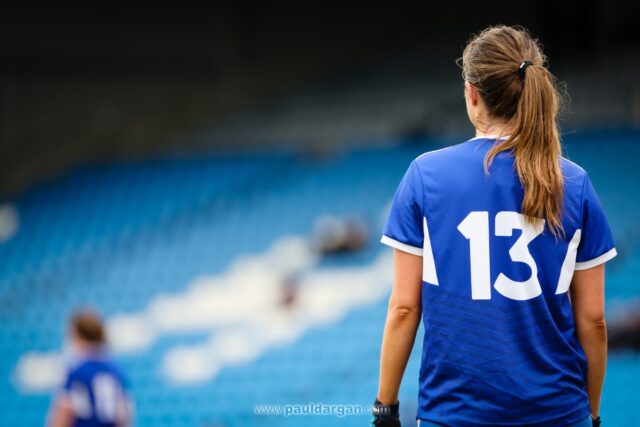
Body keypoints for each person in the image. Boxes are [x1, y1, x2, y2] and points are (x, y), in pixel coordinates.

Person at [372, 26, 615, 427]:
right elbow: (593, 321)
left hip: (454, 415)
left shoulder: (425, 175)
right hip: (557, 414)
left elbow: (403, 308)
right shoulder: (575, 182)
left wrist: (386, 407)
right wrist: (588, 413)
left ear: (471, 93)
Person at [48, 310, 132, 427]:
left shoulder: (75, 370)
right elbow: (123, 414)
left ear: (77, 335)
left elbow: (64, 411)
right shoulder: (114, 370)